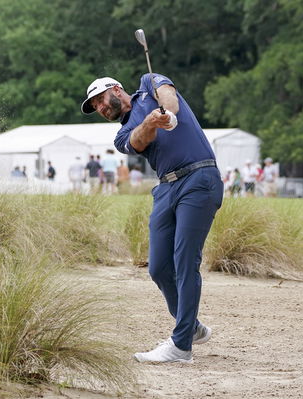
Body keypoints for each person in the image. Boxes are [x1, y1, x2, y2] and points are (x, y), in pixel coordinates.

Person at [81, 74, 223, 363]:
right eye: (95, 106)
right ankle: (192, 327)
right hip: (167, 188)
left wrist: (168, 113)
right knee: (158, 268)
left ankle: (181, 346)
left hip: (198, 177)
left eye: (100, 100)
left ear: (116, 90)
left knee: (185, 262)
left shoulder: (148, 86)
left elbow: (168, 93)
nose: (100, 108)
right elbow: (139, 140)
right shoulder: (121, 135)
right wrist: (151, 123)